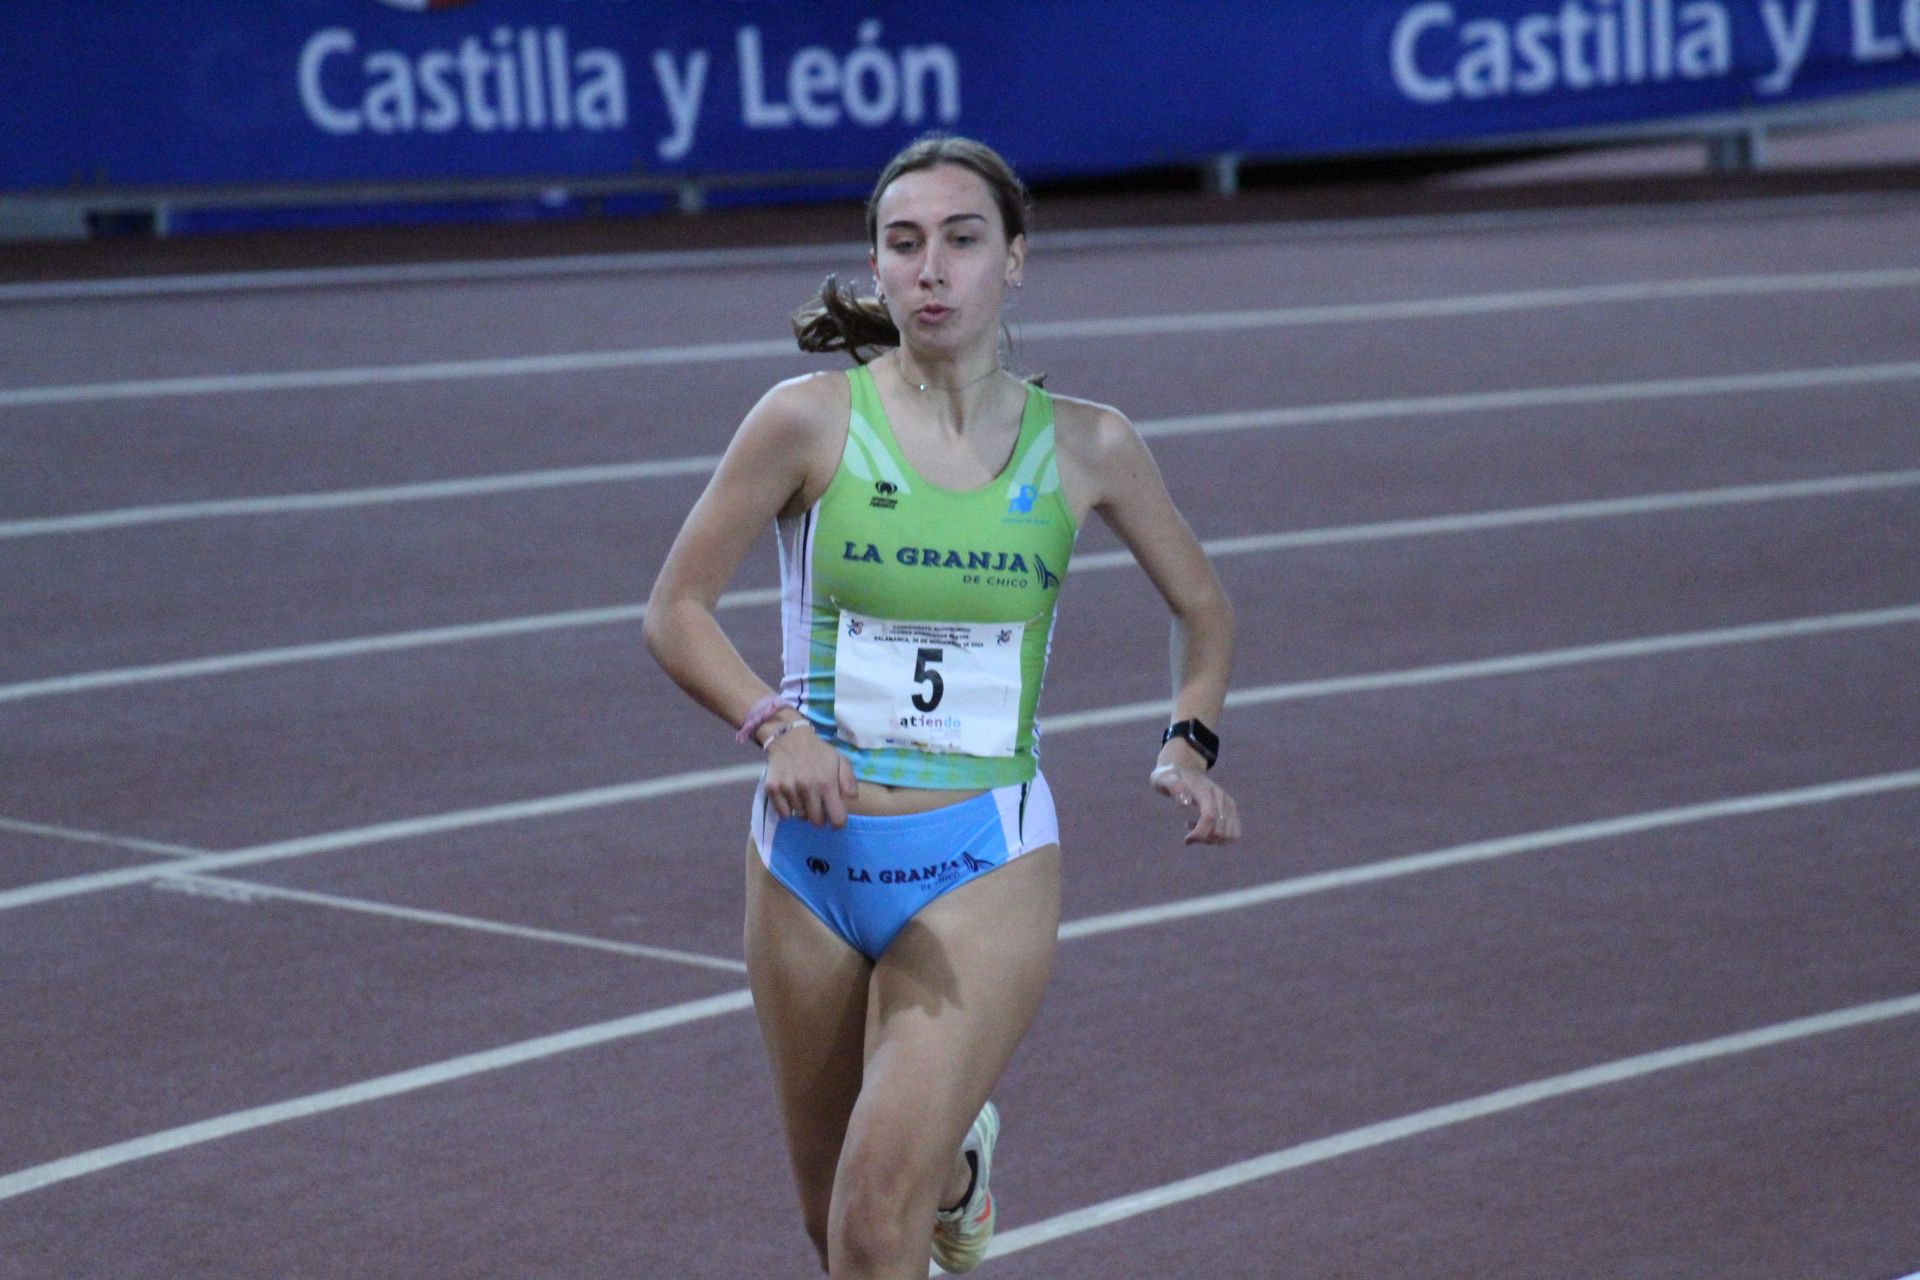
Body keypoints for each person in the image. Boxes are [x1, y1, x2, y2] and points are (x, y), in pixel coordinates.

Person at [643, 133, 1239, 1279]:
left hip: (983, 857)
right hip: (808, 864)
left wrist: (1188, 740)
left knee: (876, 1217)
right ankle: (962, 1169)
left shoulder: (1087, 444)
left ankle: (939, 1171)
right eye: (904, 243)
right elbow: (675, 608)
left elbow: (1205, 611)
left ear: (1013, 260)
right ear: (876, 265)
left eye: (962, 241)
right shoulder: (807, 421)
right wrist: (780, 725)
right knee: (837, 1229)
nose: (932, 269)